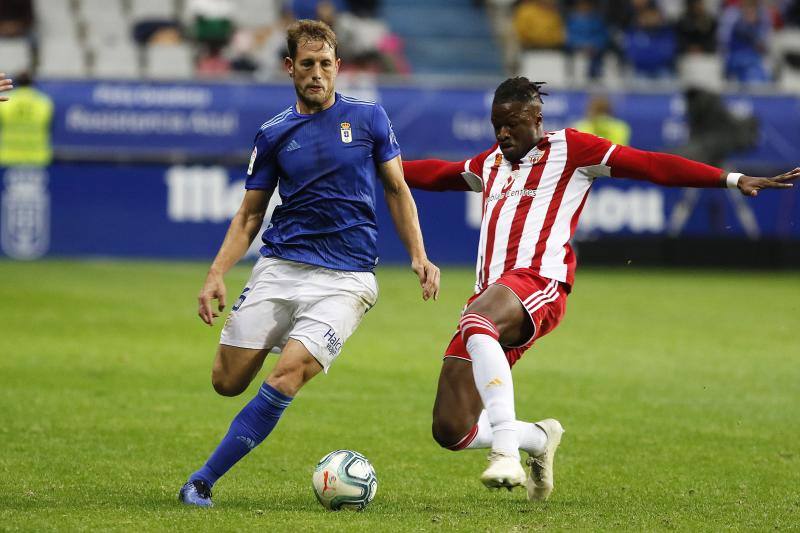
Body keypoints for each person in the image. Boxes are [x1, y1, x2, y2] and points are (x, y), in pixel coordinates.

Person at [401, 77, 798, 500]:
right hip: (493, 300)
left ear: (537, 119)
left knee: (476, 319)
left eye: (512, 124)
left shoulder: (571, 150)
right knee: (451, 428)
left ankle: (505, 454)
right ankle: (537, 439)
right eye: (496, 124)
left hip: (538, 284)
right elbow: (438, 173)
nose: (503, 133)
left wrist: (731, 178)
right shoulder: (491, 164)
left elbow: (650, 164)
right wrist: (382, 164)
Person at [178, 20, 440, 508]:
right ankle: (291, 335)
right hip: (280, 267)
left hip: (347, 279)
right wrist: (216, 273)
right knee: (226, 382)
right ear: (289, 68)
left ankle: (202, 481)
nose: (317, 73)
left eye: (325, 64)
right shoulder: (274, 134)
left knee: (287, 375)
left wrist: (419, 256)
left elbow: (398, 190)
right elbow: (250, 214)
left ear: (339, 67)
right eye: (307, 64)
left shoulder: (369, 119)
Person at [0, 72, 53, 166]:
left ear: (15, 83)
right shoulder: (44, 102)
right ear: (32, 83)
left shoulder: (5, 101)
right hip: (37, 157)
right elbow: (50, 126)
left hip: (8, 156)